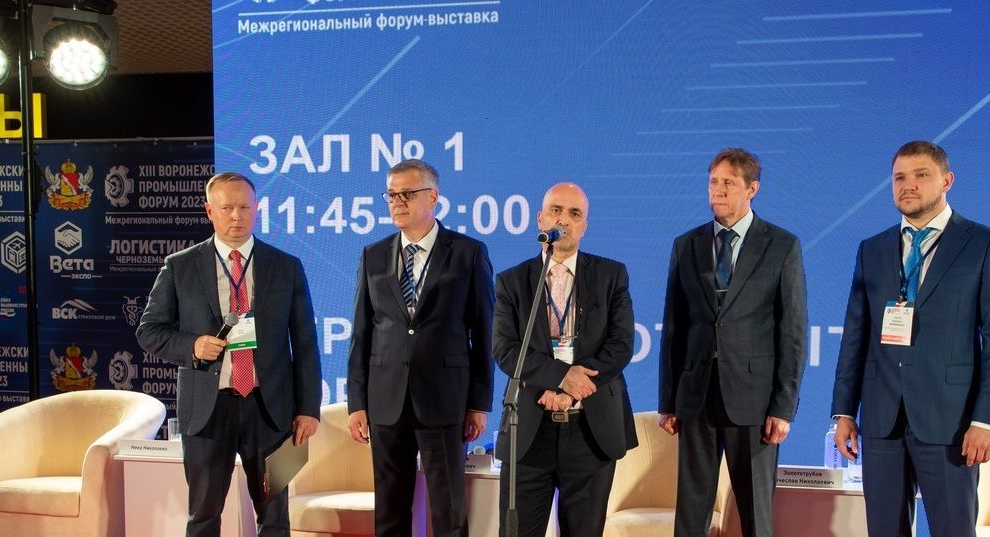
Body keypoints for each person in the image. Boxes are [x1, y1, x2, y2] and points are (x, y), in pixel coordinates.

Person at [831, 140, 990, 537]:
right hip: (882, 421)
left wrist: (987, 420)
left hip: (950, 423)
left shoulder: (984, 245)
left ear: (946, 181)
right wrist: (844, 411)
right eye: (899, 177)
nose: (908, 185)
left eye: (921, 175)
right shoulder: (872, 249)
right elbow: (856, 336)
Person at [136, 171, 322, 537]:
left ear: (257, 208)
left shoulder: (286, 266)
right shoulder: (180, 266)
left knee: (275, 516)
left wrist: (308, 408)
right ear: (209, 211)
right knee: (203, 516)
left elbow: (304, 342)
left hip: (271, 411)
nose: (236, 216)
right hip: (207, 410)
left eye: (244, 207)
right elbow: (149, 331)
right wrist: (192, 345)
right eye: (226, 208)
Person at [658, 148, 807, 537]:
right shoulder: (686, 245)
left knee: (755, 516)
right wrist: (668, 401)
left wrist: (783, 408)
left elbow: (792, 333)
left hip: (754, 402)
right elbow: (674, 329)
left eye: (728, 183)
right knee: (691, 516)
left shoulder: (781, 245)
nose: (718, 190)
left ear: (751, 189)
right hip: (696, 399)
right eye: (713, 182)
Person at [346, 159, 494, 537]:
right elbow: (362, 333)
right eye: (392, 195)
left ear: (433, 197)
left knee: (448, 512)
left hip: (444, 400)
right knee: (390, 511)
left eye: (408, 194)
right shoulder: (373, 254)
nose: (398, 202)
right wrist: (357, 402)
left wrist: (479, 403)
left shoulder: (468, 253)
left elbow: (484, 332)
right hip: (385, 400)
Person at [492, 182, 638, 537]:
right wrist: (558, 378)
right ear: (540, 219)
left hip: (591, 430)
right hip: (530, 430)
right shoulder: (512, 281)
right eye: (556, 210)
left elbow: (620, 344)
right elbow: (506, 348)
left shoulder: (611, 275)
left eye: (575, 214)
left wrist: (572, 388)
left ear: (584, 225)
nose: (564, 220)